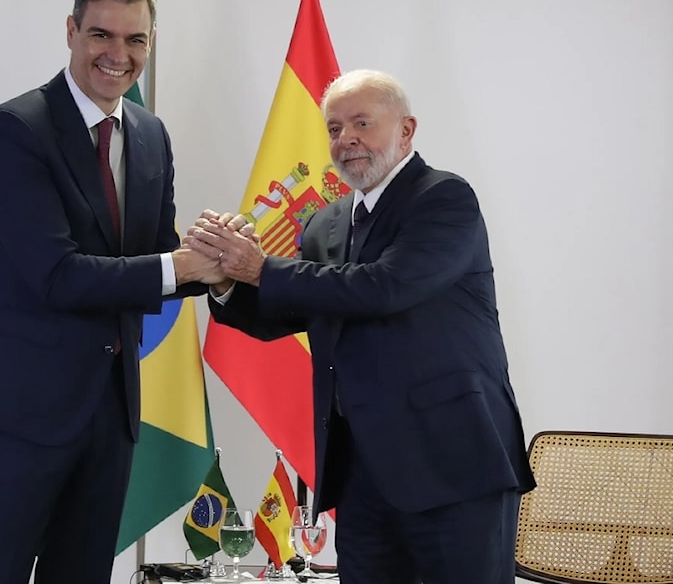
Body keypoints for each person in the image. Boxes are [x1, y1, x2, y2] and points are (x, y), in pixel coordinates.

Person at [186, 69, 536, 584]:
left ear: (407, 130)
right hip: (360, 473)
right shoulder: (325, 222)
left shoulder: (443, 199)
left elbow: (383, 288)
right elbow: (292, 309)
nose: (345, 138)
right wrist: (223, 281)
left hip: (453, 467)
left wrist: (259, 268)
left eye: (362, 123)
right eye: (333, 128)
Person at [0, 0, 216, 584]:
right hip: (21, 408)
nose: (117, 55)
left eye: (136, 41)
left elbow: (154, 256)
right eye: (101, 35)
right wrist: (178, 264)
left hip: (112, 407)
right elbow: (56, 274)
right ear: (71, 32)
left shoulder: (151, 135)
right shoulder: (15, 130)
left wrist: (218, 260)